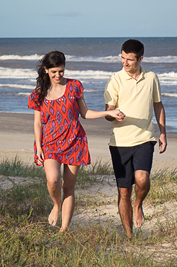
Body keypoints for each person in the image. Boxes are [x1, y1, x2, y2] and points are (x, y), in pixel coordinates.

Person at [29, 50, 123, 233]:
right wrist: (39, 146)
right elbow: (37, 123)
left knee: (68, 187)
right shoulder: (38, 93)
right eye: (54, 71)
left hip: (74, 141)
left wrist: (108, 112)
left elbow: (85, 113)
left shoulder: (74, 86)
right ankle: (57, 205)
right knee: (53, 180)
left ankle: (64, 229)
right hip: (49, 143)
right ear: (46, 70)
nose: (58, 75)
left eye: (61, 71)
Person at [103, 38, 167, 238]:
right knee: (123, 193)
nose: (125, 63)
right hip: (119, 142)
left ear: (140, 59)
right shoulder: (115, 79)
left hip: (144, 138)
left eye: (129, 60)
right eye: (123, 58)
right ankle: (129, 235)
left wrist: (163, 132)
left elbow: (158, 104)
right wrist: (112, 114)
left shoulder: (151, 77)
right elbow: (108, 111)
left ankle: (138, 204)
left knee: (142, 178)